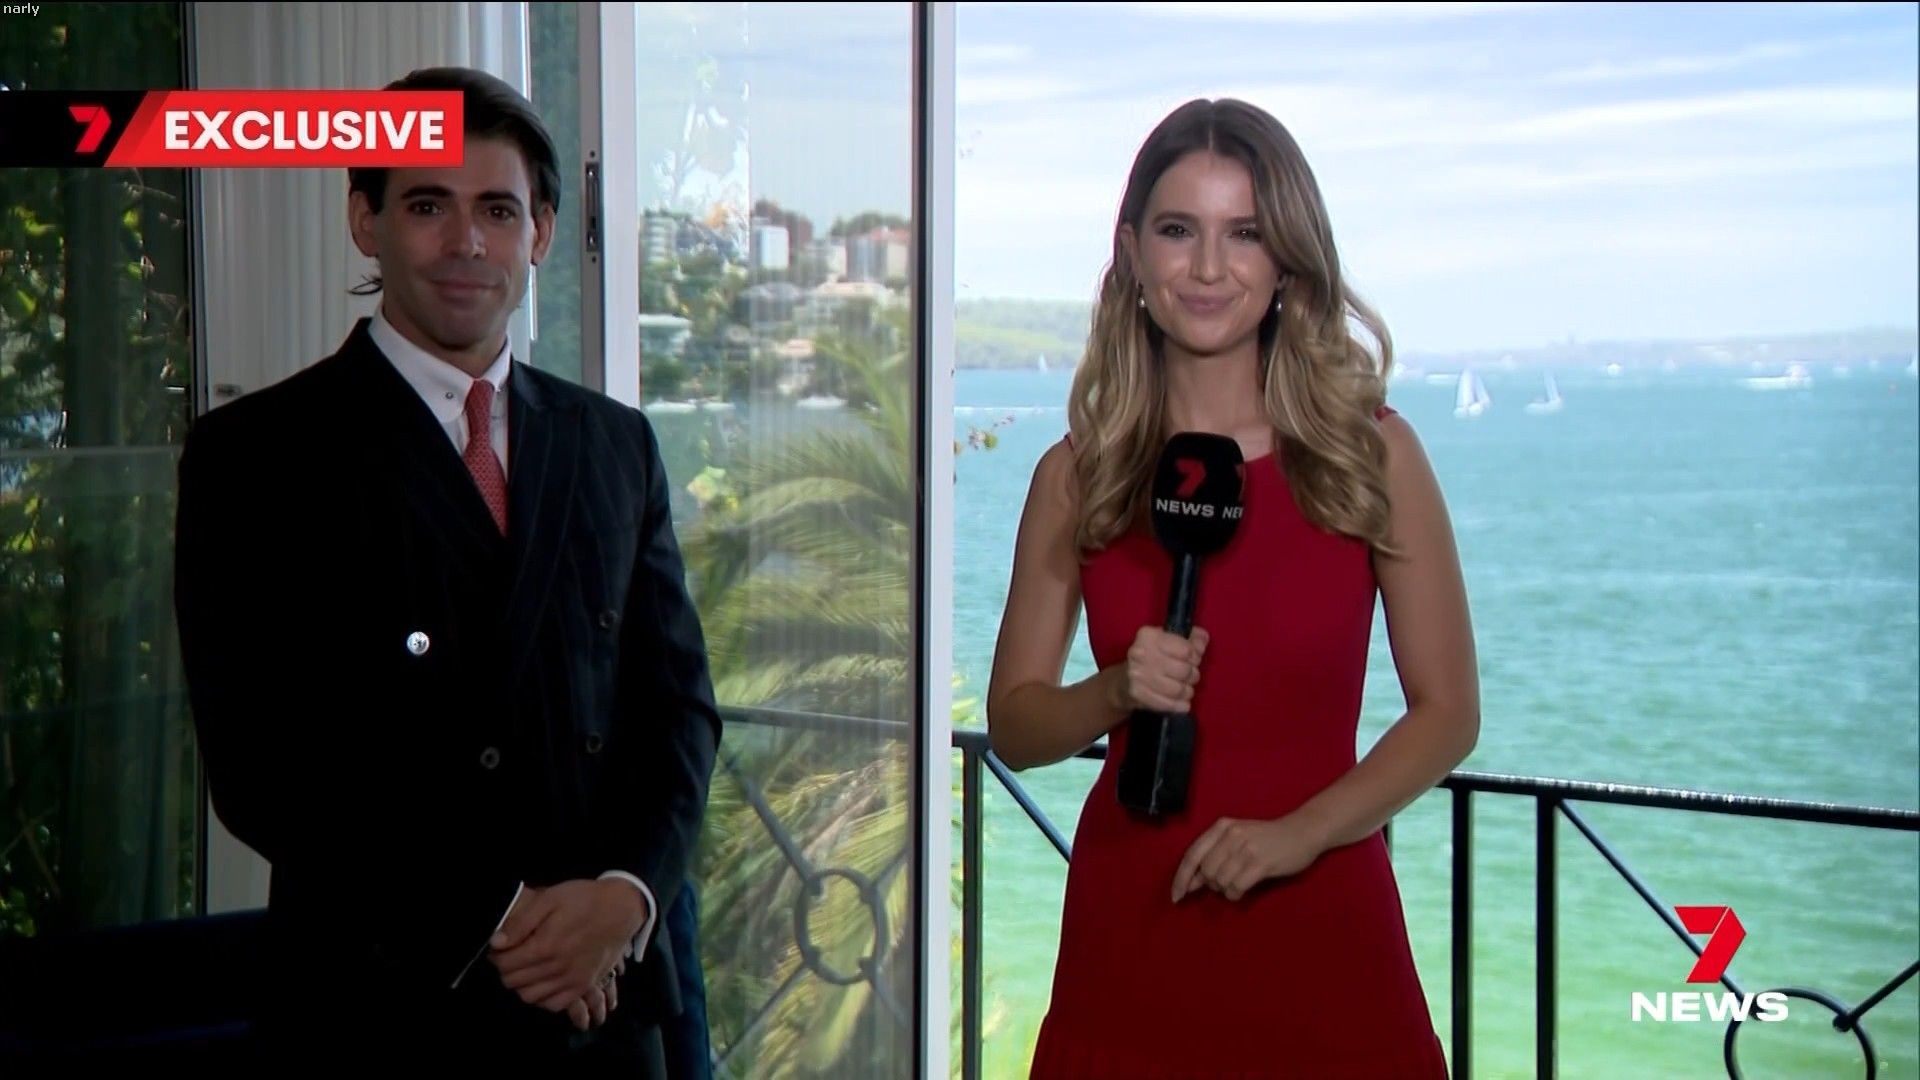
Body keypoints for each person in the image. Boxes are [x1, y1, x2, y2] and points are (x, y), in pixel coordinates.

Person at [172, 66, 721, 1073]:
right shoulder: (257, 454)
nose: (467, 241)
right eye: (429, 205)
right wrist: (505, 923)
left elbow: (677, 708)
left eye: (498, 211)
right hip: (378, 1009)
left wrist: (626, 897)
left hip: (606, 1008)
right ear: (365, 221)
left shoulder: (615, 444)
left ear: (540, 232)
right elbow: (261, 764)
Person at [986, 98, 1479, 1079]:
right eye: (1180, 230)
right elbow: (1016, 725)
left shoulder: (1369, 455)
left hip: (1325, 931)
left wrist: (1299, 837)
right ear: (1132, 252)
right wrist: (1117, 690)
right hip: (1132, 938)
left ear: (1287, 261)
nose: (1209, 267)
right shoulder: (1077, 476)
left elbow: (1449, 714)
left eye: (1244, 233)